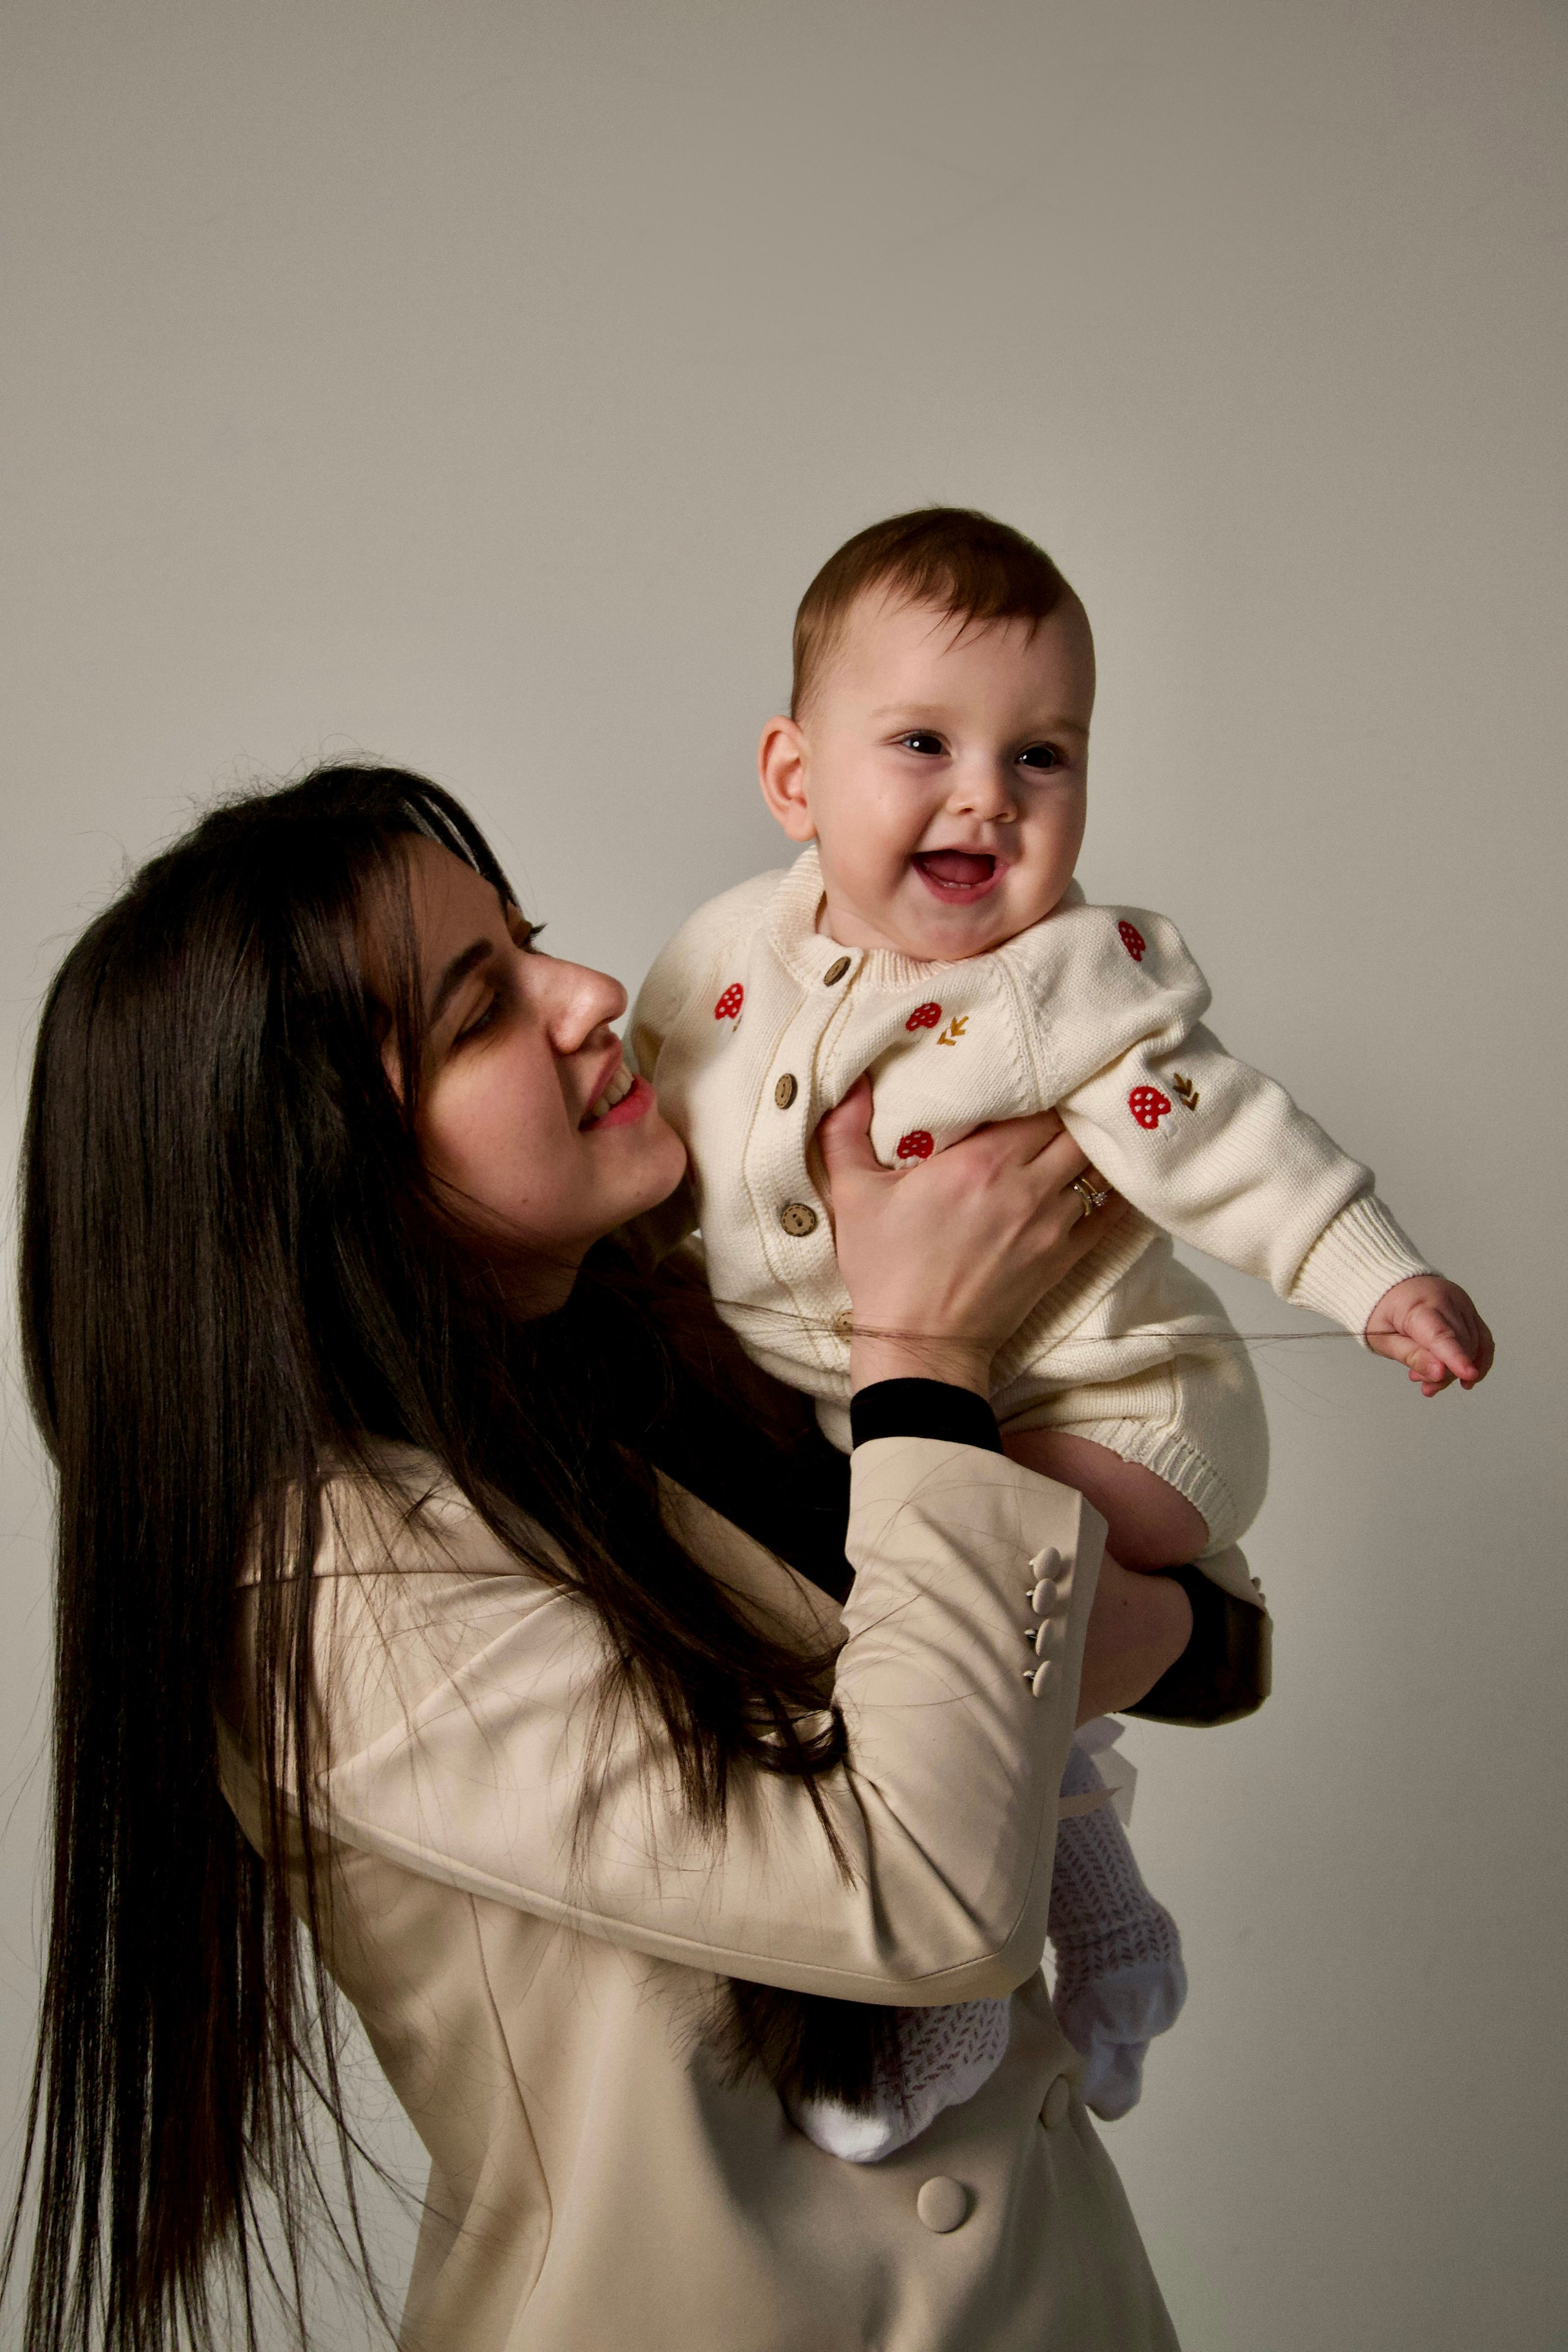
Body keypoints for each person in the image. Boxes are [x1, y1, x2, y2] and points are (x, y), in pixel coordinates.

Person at [6, 764, 1209, 2352]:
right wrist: (931, 1358)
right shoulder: (315, 1596)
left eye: (535, 942)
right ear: (318, 1177)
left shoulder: (648, 1349)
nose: (586, 998)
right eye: (476, 1012)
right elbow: (921, 1885)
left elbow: (1186, 1635)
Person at [630, 505, 1495, 2120]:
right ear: (795, 779)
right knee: (900, 1607)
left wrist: (1379, 1279)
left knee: (947, 1598)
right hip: (881, 1412)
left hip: (1113, 1402)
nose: (987, 795)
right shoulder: (725, 953)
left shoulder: (1072, 989)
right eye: (925, 743)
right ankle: (1110, 1919)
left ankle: (969, 1986)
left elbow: (1232, 1140)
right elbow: (658, 1112)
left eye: (1045, 756)